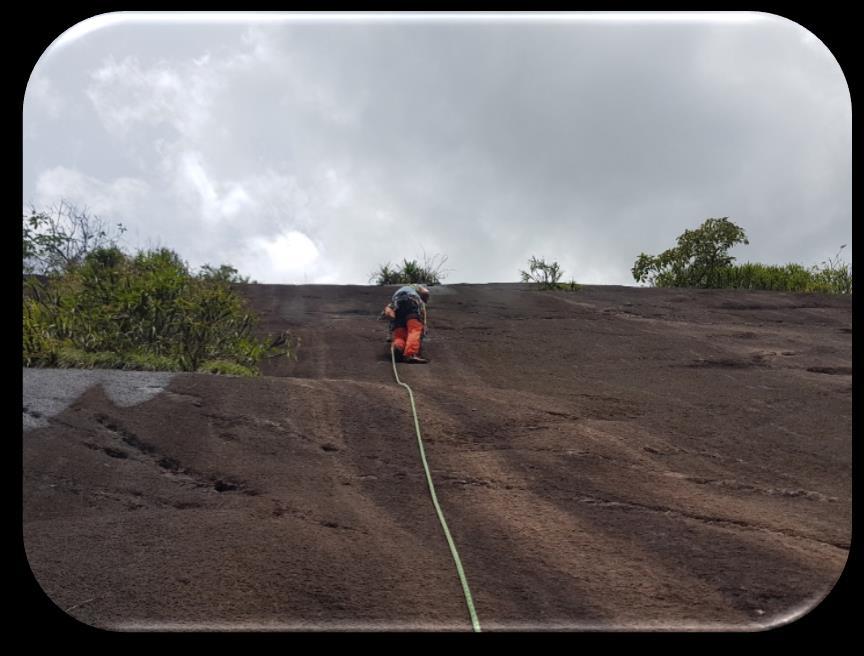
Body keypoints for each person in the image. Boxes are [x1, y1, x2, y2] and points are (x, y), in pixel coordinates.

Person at [381, 284, 430, 363]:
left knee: (400, 333)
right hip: (410, 302)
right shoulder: (416, 286)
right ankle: (411, 354)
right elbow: (425, 292)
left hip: (397, 306)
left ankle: (398, 348)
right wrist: (425, 301)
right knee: (414, 328)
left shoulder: (399, 291)